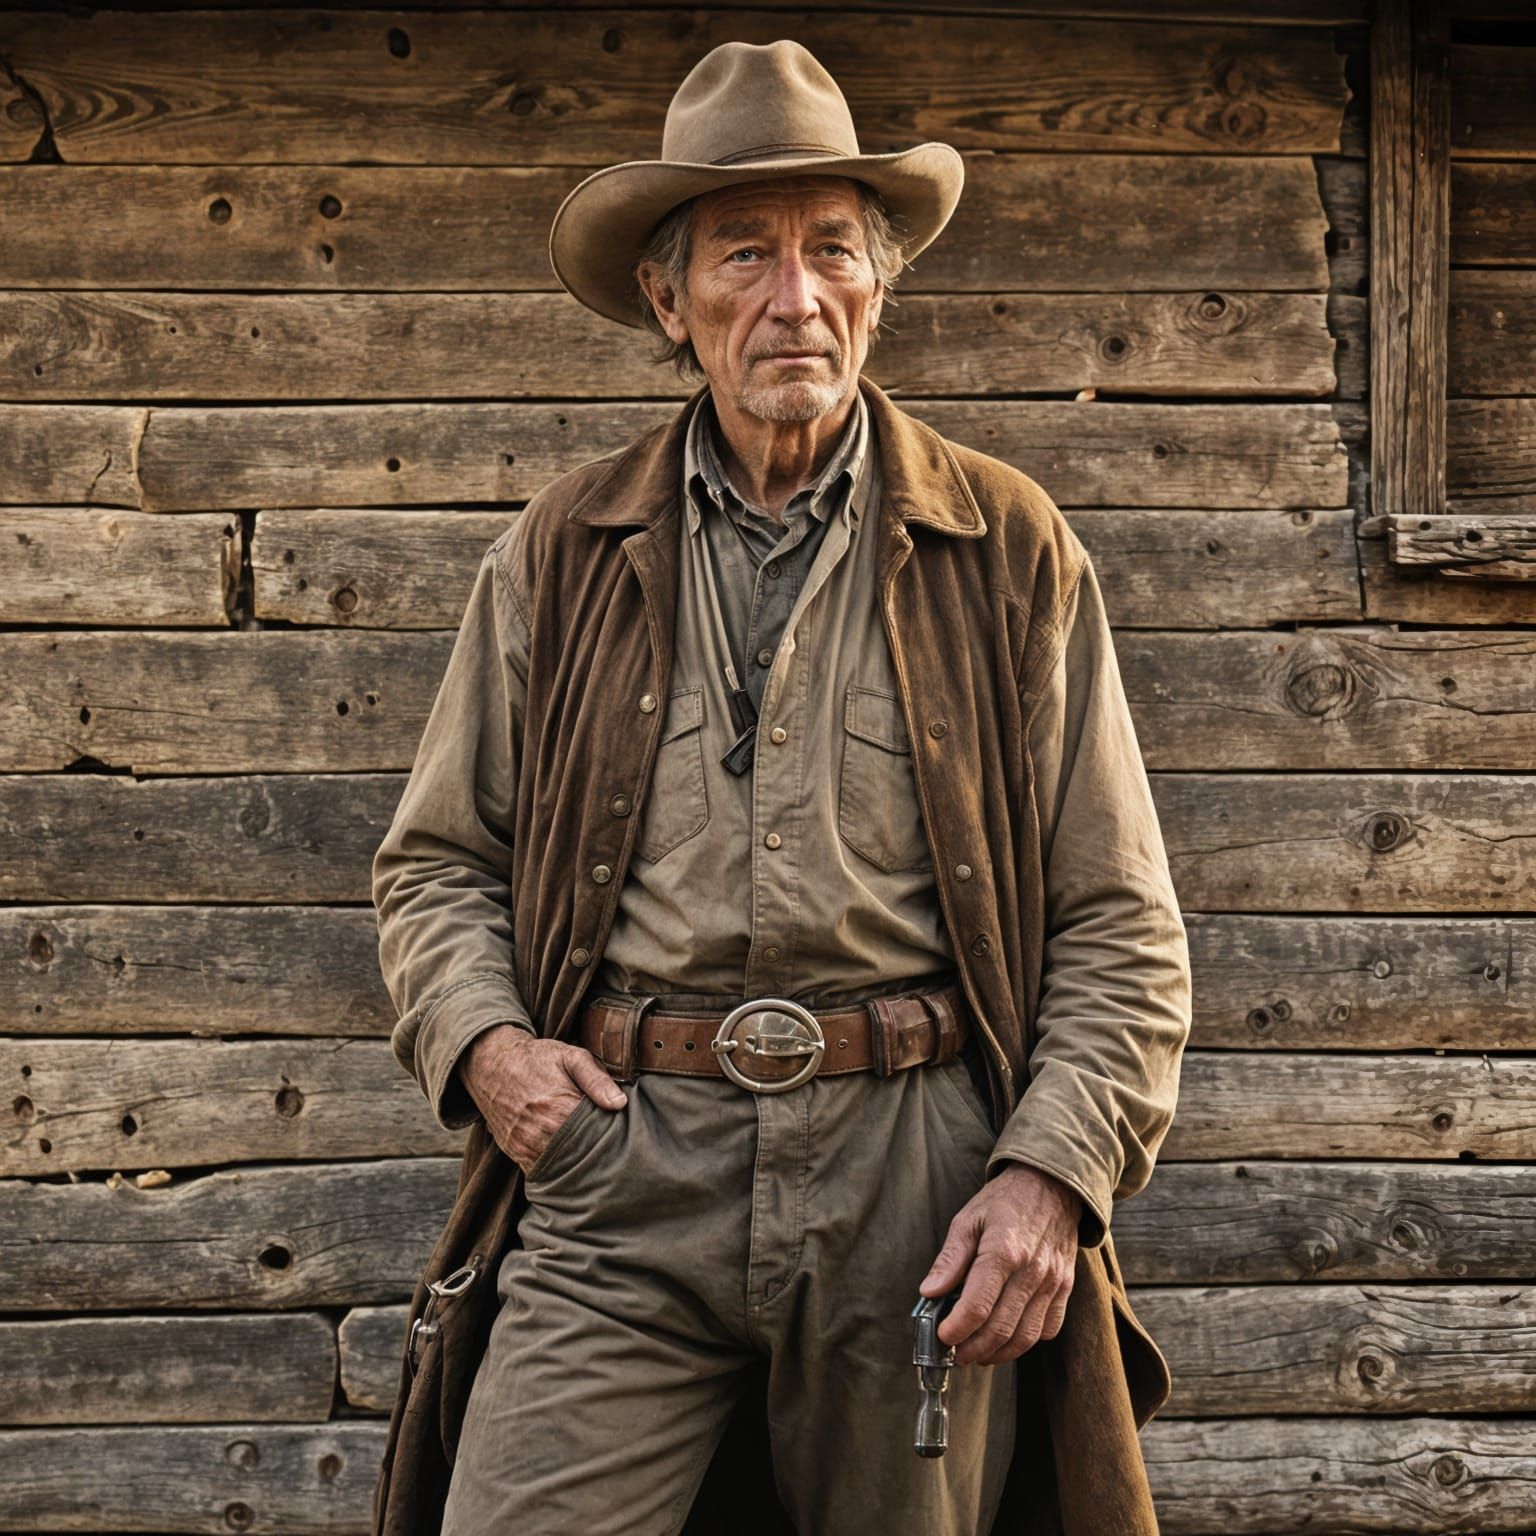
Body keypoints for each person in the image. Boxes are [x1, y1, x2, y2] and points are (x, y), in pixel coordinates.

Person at [371, 37, 1192, 1536]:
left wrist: (1049, 1180)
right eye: (744, 253)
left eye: (831, 250)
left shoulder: (1004, 549)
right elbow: (435, 865)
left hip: (916, 1180)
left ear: (880, 283)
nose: (794, 298)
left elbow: (1120, 922)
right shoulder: (562, 553)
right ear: (668, 303)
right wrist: (492, 1051)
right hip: (625, 1165)